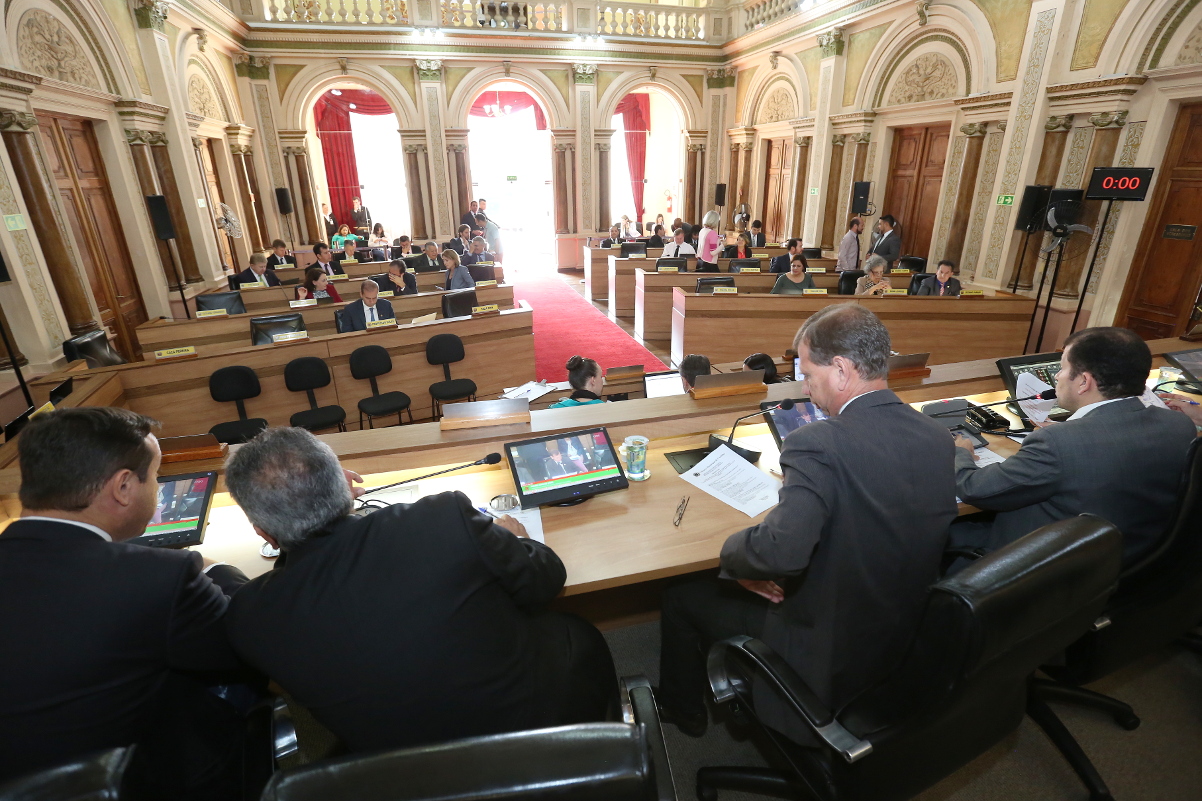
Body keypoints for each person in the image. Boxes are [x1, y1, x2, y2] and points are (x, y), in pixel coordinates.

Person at [657, 304, 957, 739]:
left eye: (808, 374)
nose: (805, 387)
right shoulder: (936, 436)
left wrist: (733, 561)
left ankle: (683, 712)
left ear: (840, 369)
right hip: (899, 631)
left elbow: (781, 550)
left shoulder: (816, 442)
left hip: (823, 644)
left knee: (681, 595)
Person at [223, 427, 618, 753]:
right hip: (532, 736)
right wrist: (521, 538)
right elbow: (544, 581)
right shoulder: (440, 518)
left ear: (262, 531)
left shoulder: (251, 616)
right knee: (574, 630)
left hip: (402, 773)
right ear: (343, 485)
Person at [0, 408, 250, 798]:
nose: (157, 487)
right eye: (154, 476)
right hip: (136, 782)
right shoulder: (159, 576)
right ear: (123, 487)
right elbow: (243, 646)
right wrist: (220, 573)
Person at [951, 326, 1196, 566]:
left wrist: (961, 453)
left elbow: (975, 490)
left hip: (1042, 569)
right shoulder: (1179, 425)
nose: (1057, 376)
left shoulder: (1058, 443)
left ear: (1084, 382)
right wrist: (1067, 433)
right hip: (1132, 563)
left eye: (1062, 368)